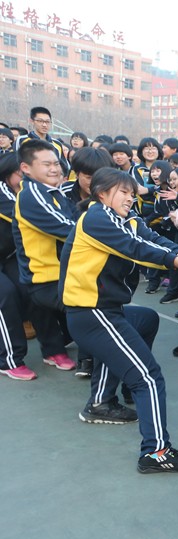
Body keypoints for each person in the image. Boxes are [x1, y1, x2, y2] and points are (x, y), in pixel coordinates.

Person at [59, 167, 178, 470]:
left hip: (104, 311)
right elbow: (136, 248)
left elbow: (149, 237)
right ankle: (156, 453)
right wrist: (176, 260)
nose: (130, 197)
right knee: (148, 377)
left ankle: (101, 401)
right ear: (102, 193)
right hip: (91, 314)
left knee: (146, 319)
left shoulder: (123, 219)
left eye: (130, 191)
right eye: (122, 192)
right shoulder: (98, 217)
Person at [11, 141, 77, 371]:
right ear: (26, 168)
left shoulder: (52, 192)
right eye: (46, 164)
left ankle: (60, 350)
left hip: (58, 273)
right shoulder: (32, 194)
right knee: (92, 307)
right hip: (43, 278)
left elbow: (76, 219)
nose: (54, 169)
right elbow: (69, 228)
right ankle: (69, 356)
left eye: (57, 163)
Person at [0, 153, 38, 380]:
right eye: (20, 172)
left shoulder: (24, 191)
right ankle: (9, 360)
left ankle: (53, 347)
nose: (26, 176)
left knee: (29, 285)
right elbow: (32, 215)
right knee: (6, 296)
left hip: (7, 256)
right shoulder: (5, 194)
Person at [15, 107, 70, 176]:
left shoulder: (57, 144)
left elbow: (63, 166)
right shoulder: (22, 140)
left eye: (47, 122)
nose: (44, 125)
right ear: (31, 121)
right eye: (40, 121)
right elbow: (16, 162)